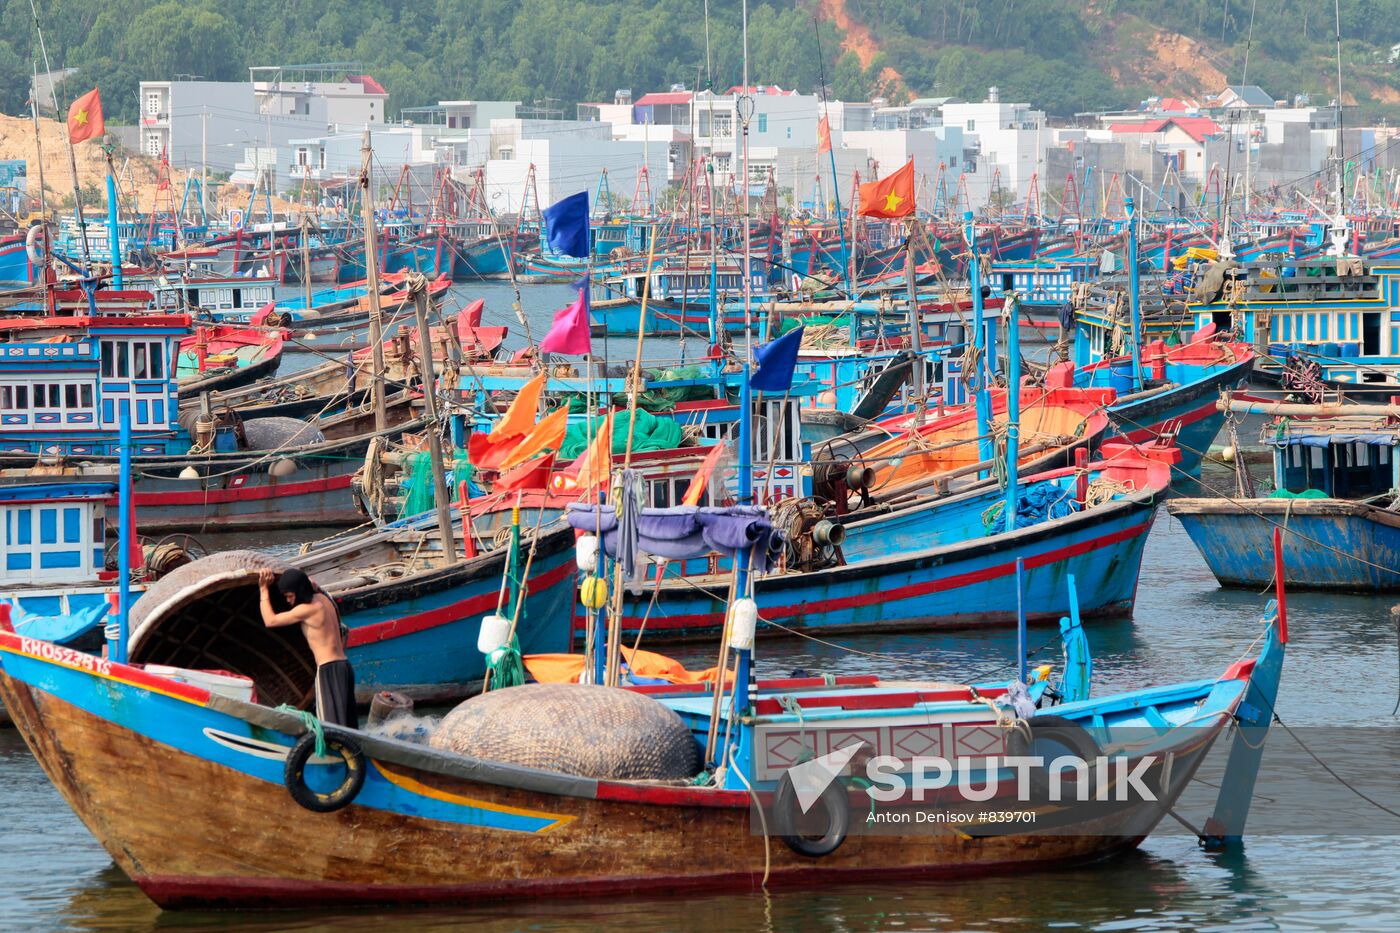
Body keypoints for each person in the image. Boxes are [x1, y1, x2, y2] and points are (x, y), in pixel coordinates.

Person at [258, 567, 357, 728]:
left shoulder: (307, 609)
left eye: (289, 596)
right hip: (345, 666)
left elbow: (271, 621)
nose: (289, 601)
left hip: (328, 669)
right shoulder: (325, 600)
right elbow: (314, 586)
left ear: (299, 591)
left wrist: (263, 590)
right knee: (348, 724)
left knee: (329, 726)